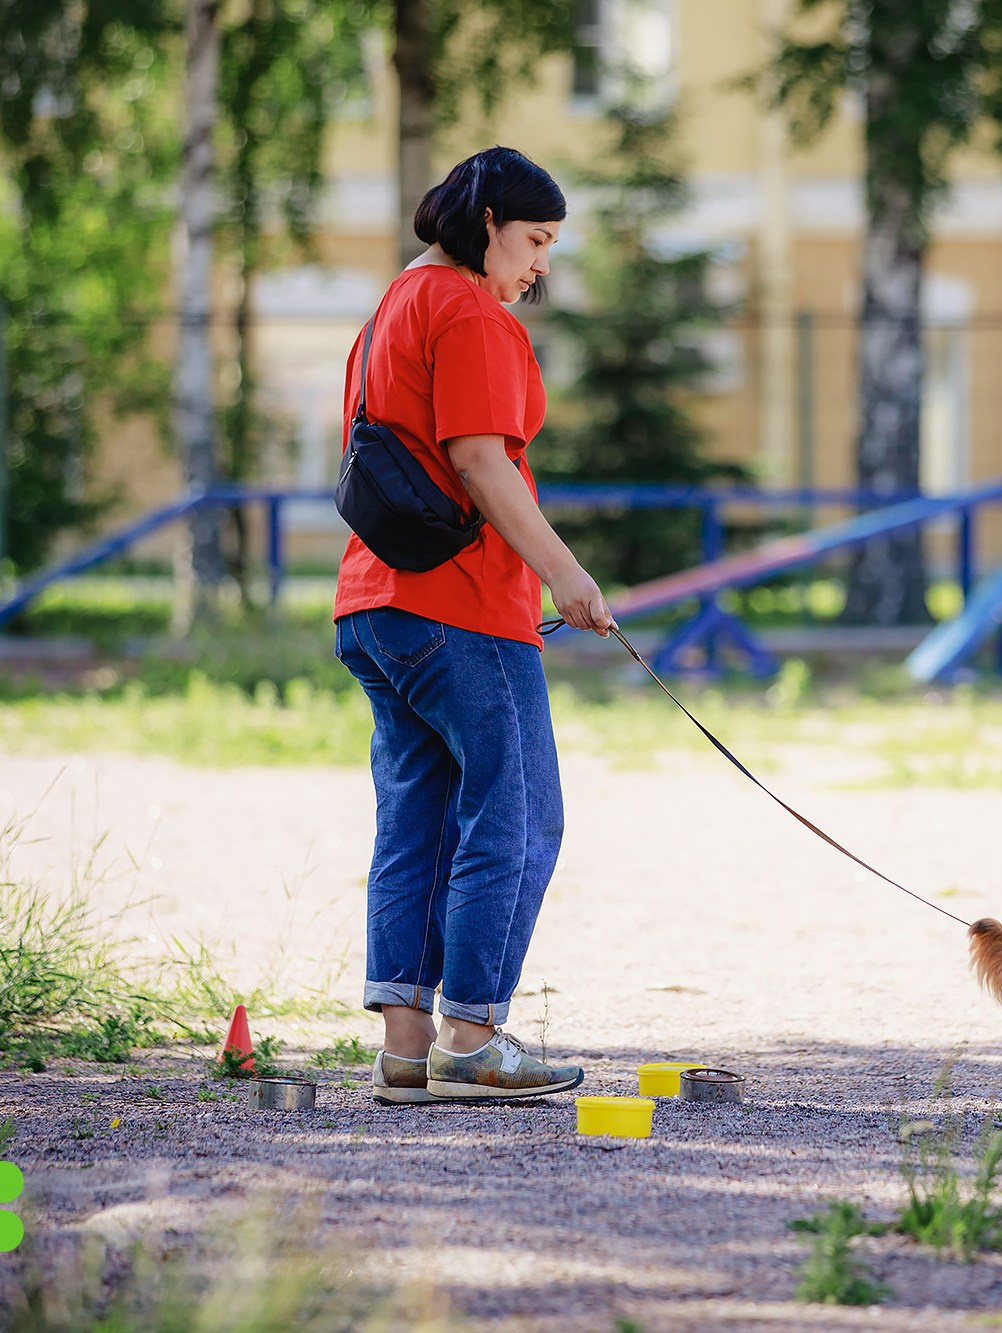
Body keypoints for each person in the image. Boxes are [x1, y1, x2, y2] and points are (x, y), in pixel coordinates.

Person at [333, 146, 615, 1100]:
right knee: (521, 809)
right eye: (534, 240)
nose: (539, 264)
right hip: (462, 610)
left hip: (376, 605)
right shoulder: (467, 310)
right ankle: (475, 1034)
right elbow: (481, 461)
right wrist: (568, 577)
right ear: (487, 222)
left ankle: (408, 1051)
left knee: (416, 819)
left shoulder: (390, 308)